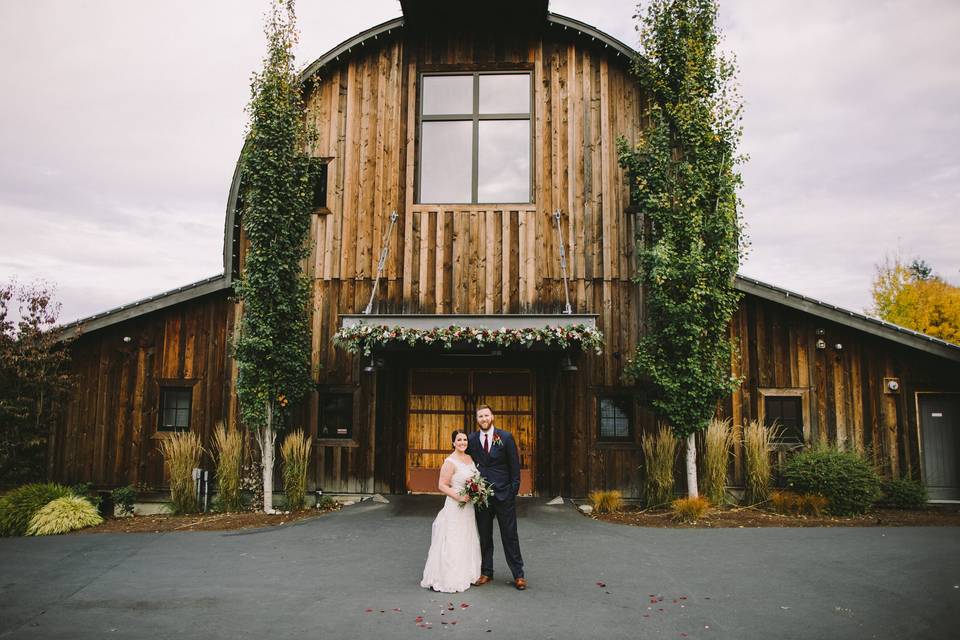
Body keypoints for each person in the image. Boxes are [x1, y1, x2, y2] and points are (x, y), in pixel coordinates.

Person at [466, 404, 527, 590]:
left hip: (503, 495)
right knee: (485, 535)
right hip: (481, 496)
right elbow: (464, 460)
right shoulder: (472, 439)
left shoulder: (506, 437)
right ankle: (486, 572)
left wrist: (512, 491)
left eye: (486, 415)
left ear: (492, 417)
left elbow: (514, 466)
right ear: (477, 420)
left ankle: (518, 574)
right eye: (480, 416)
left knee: (510, 535)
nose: (483, 419)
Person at [420, 429, 482, 593]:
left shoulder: (469, 458)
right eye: (459, 440)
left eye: (465, 440)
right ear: (453, 442)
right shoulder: (450, 462)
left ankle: (467, 573)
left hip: (468, 507)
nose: (463, 442)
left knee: (466, 537)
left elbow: (475, 480)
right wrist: (459, 497)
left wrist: (477, 491)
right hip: (455, 505)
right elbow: (442, 485)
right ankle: (449, 576)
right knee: (454, 538)